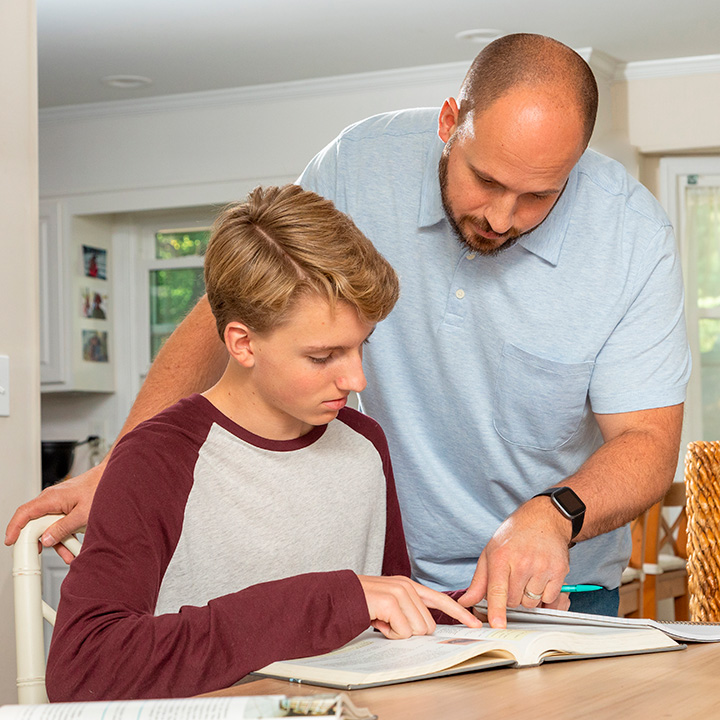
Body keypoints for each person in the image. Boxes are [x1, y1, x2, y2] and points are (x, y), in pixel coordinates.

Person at [7, 34, 690, 628]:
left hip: (549, 587)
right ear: (450, 123)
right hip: (381, 581)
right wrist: (126, 467)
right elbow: (227, 311)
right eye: (485, 180)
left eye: (540, 194)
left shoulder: (630, 234)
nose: (504, 217)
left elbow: (649, 444)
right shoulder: (358, 165)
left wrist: (556, 512)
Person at [44, 185, 480, 701]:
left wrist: (480, 606)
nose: (357, 380)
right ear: (243, 343)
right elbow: (84, 668)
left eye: (362, 346)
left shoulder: (364, 444)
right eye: (323, 357)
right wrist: (325, 600)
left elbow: (379, 611)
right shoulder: (157, 457)